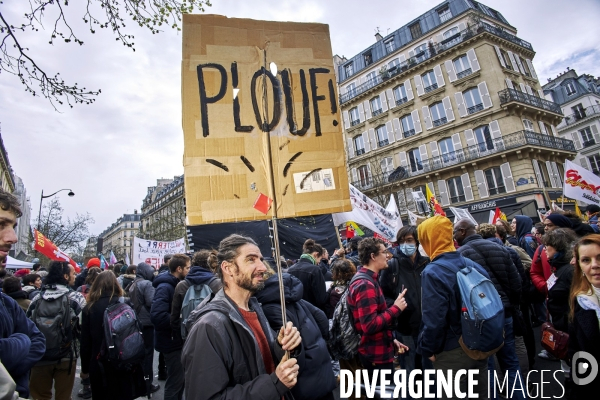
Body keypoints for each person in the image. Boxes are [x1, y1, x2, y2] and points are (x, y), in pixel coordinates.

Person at [182, 234, 302, 399]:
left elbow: (260, 362)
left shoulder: (255, 308)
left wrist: (282, 346)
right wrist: (275, 383)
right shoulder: (208, 327)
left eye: (260, 259)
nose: (263, 267)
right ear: (228, 268)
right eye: (251, 260)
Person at [418, 216, 489, 399]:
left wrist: (428, 349)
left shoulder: (433, 272)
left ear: (429, 239)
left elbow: (434, 319)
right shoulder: (471, 264)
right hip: (479, 344)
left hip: (451, 350)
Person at [454, 219, 524, 399]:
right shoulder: (500, 247)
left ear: (462, 231)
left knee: (487, 366)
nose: (453, 236)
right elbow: (516, 284)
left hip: (481, 320)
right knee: (510, 362)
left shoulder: (460, 255)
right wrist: (510, 305)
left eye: (455, 232)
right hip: (504, 313)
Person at [255, 270, 336, 400]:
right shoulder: (291, 296)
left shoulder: (270, 307)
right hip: (320, 369)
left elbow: (291, 351)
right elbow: (321, 317)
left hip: (306, 382)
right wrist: (321, 343)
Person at [0, 189, 46, 398]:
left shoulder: (6, 303)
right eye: (1, 225)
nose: (12, 238)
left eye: (12, 226)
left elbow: (39, 341)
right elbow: (31, 341)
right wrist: (22, 341)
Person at [346, 237, 409, 374]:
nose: (388, 255)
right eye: (384, 252)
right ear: (373, 256)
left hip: (378, 349)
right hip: (375, 356)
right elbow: (369, 325)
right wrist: (396, 308)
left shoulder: (369, 280)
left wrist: (391, 340)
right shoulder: (365, 285)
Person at [80, 271, 146, 400]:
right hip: (123, 359)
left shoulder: (89, 308)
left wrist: (85, 368)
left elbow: (85, 342)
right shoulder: (125, 304)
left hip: (99, 361)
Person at [27, 261, 86, 400]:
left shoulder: (37, 298)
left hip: (40, 355)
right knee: (63, 396)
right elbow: (83, 328)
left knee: (40, 396)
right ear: (65, 276)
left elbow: (27, 324)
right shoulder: (76, 299)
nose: (75, 277)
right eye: (72, 274)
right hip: (66, 355)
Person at [379, 225, 430, 374]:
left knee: (430, 372)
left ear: (417, 242)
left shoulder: (427, 263)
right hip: (405, 329)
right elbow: (384, 296)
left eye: (409, 240)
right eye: (402, 241)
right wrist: (397, 306)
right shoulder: (392, 266)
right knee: (410, 371)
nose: (405, 245)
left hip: (427, 327)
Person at [150, 253, 190, 400]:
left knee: (179, 382)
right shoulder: (165, 287)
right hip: (171, 341)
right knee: (175, 383)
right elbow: (157, 316)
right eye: (187, 268)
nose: (189, 271)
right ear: (179, 269)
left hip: (174, 340)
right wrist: (180, 319)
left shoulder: (174, 284)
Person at [543, 229, 578, 378]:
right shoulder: (558, 269)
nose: (544, 249)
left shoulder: (570, 271)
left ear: (558, 247)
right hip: (562, 326)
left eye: (547, 246)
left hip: (571, 329)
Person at [569, 233, 600, 397]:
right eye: (586, 260)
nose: (594, 265)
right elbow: (579, 356)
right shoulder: (581, 302)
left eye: (599, 257)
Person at [171, 250, 222, 341]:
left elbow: (175, 315)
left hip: (189, 334)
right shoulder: (218, 284)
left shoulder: (182, 285)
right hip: (214, 333)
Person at [127, 262, 159, 395]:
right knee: (148, 354)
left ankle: (139, 382)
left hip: (136, 322)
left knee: (139, 354)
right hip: (146, 323)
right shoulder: (146, 284)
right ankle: (147, 383)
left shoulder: (132, 283)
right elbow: (152, 302)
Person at [288, 239, 328, 311]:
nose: (319, 262)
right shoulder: (315, 270)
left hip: (297, 312)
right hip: (313, 312)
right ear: (316, 254)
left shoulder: (290, 269)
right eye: (320, 259)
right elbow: (321, 299)